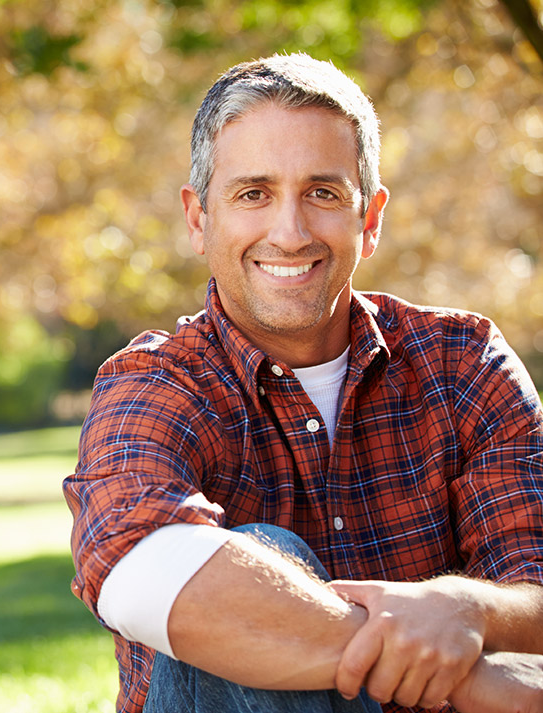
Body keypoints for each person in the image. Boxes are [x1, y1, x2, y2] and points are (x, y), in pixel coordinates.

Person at [63, 53, 543, 713]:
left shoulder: (461, 362)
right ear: (199, 217)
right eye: (252, 193)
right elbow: (138, 568)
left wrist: (467, 606)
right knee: (254, 562)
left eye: (322, 192)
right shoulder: (156, 382)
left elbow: (535, 586)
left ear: (367, 218)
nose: (288, 233)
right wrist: (449, 670)